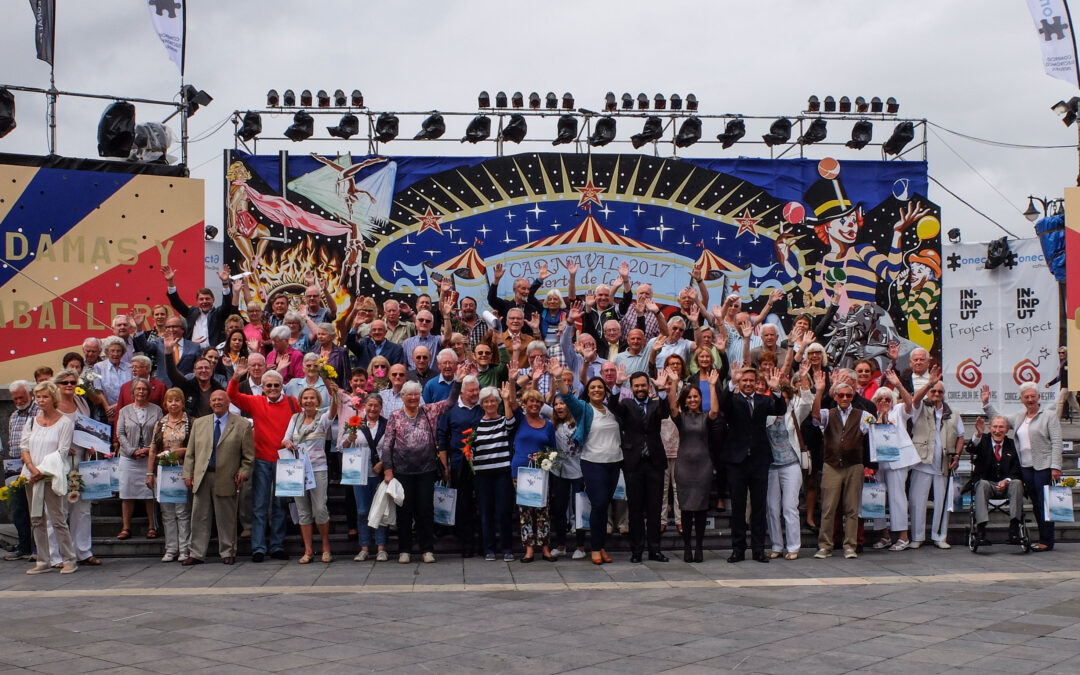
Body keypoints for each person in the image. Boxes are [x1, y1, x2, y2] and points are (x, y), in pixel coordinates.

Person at [379, 364, 464, 564]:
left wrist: (458, 381)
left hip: (426, 470)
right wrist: (388, 470)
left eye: (416, 395)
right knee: (404, 512)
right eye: (409, 395)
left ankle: (427, 549)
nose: (413, 398)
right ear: (403, 397)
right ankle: (405, 550)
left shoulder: (429, 411)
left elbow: (451, 402)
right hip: (401, 471)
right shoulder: (395, 416)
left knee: (425, 510)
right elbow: (387, 445)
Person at [227, 360, 300, 562]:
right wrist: (236, 377)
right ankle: (258, 547)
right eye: (268, 385)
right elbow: (231, 395)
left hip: (285, 462)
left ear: (281, 386)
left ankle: (276, 545)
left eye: (276, 385)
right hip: (261, 460)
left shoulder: (293, 402)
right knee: (259, 505)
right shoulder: (255, 401)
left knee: (279, 505)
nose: (273, 389)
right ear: (263, 388)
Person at [551, 362, 621, 565]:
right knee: (598, 505)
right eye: (593, 388)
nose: (597, 390)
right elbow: (567, 398)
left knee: (604, 506)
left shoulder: (611, 411)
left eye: (600, 387)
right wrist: (558, 378)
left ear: (605, 391)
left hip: (614, 463)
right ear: (588, 392)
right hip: (593, 462)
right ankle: (596, 548)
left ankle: (602, 547)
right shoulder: (583, 409)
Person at [981, 381, 1063, 551]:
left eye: (1033, 396)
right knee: (1035, 503)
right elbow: (999, 420)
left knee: (1044, 503)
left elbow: (1057, 442)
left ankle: (1047, 540)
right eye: (1026, 397)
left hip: (1044, 465)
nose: (1030, 399)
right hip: (1026, 467)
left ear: (1038, 397)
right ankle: (1043, 538)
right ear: (1022, 399)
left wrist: (1056, 466)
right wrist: (986, 404)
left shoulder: (1049, 415)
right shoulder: (1019, 417)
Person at [718, 366, 786, 563]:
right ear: (739, 382)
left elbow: (780, 409)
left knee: (759, 507)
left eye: (751, 381)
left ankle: (758, 549)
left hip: (759, 460)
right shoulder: (733, 399)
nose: (748, 384)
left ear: (756, 383)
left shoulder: (764, 400)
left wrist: (776, 391)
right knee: (738, 507)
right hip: (736, 460)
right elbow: (722, 405)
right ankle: (738, 549)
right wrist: (731, 382)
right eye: (744, 381)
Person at [182, 390, 254, 565]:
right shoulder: (199, 423)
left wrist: (244, 472)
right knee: (199, 516)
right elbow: (190, 453)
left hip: (227, 477)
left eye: (220, 399)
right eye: (213, 400)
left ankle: (228, 551)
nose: (216, 402)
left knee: (226, 517)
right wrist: (187, 474)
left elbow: (249, 456)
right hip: (202, 476)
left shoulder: (242, 424)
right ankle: (196, 553)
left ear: (228, 402)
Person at [608, 371, 670, 563]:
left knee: (654, 508)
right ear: (632, 388)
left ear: (648, 387)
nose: (640, 389)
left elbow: (665, 413)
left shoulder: (655, 404)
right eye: (637, 386)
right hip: (633, 463)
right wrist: (617, 386)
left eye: (643, 385)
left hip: (654, 463)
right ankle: (636, 551)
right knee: (635, 509)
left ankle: (655, 550)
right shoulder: (626, 404)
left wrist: (662, 390)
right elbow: (612, 407)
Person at [812, 374, 875, 560]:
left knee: (852, 509)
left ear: (853, 396)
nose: (845, 398)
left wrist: (885, 417)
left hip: (854, 465)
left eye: (849, 395)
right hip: (832, 464)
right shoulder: (828, 413)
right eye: (842, 395)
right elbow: (815, 416)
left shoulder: (863, 415)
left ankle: (850, 546)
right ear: (836, 397)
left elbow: (877, 427)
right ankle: (825, 546)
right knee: (829, 507)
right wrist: (820, 390)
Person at [20, 382, 78, 575]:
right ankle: (43, 559)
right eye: (38, 397)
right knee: (36, 518)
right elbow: (24, 448)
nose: (41, 400)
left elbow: (61, 452)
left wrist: (42, 472)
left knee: (57, 518)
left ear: (53, 398)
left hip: (51, 476)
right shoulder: (31, 421)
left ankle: (69, 558)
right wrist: (31, 468)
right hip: (32, 476)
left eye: (45, 397)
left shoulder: (64, 422)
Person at [666, 368, 722, 562]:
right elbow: (672, 407)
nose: (692, 400)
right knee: (686, 509)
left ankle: (699, 547)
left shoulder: (706, 417)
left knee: (700, 509)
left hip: (703, 466)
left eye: (696, 396)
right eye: (689, 397)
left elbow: (715, 410)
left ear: (700, 398)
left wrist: (712, 386)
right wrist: (673, 383)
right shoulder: (680, 418)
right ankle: (687, 547)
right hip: (684, 467)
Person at [868, 372, 925, 552]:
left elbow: (910, 404)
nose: (884, 401)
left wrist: (898, 385)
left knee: (896, 497)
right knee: (875, 497)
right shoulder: (869, 416)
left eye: (887, 398)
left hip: (897, 460)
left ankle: (903, 536)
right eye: (880, 399)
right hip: (878, 462)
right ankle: (884, 535)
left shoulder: (898, 411)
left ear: (893, 401)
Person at [282, 384, 339, 564]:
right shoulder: (295, 418)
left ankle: (325, 547)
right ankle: (308, 550)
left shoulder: (322, 418)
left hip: (318, 469)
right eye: (305, 398)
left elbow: (333, 410)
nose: (308, 401)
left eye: (312, 398)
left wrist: (335, 394)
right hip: (298, 470)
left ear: (317, 401)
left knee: (320, 509)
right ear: (300, 401)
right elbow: (285, 437)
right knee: (303, 511)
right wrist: (287, 443)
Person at [908, 378, 963, 549]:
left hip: (944, 463)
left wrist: (957, 456)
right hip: (922, 462)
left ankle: (940, 536)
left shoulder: (953, 412)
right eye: (933, 391)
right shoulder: (920, 407)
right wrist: (928, 384)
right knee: (917, 501)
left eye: (940, 391)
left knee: (942, 501)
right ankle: (917, 537)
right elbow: (914, 401)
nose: (937, 394)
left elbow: (961, 436)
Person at [52, 370, 100, 566]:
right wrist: (61, 447)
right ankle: (57, 555)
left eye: (73, 382)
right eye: (65, 383)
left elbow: (87, 427)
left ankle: (83, 551)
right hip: (60, 461)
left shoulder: (81, 402)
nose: (70, 385)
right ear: (58, 385)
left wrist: (91, 444)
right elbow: (44, 432)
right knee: (59, 509)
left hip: (82, 459)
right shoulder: (52, 406)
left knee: (82, 508)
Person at [765, 373, 813, 560]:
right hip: (771, 465)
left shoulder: (794, 412)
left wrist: (805, 382)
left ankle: (793, 546)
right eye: (779, 399)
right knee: (772, 507)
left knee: (789, 506)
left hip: (791, 463)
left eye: (785, 399)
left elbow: (807, 403)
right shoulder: (766, 414)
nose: (781, 403)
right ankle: (777, 545)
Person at [470, 382, 518, 561]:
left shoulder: (504, 420)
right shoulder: (476, 424)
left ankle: (506, 548)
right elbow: (469, 446)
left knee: (504, 511)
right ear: (481, 404)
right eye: (486, 402)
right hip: (482, 475)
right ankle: (488, 548)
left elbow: (511, 424)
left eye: (493, 401)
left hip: (502, 474)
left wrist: (506, 400)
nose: (490, 404)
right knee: (485, 512)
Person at [436, 373, 483, 557]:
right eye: (471, 390)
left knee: (481, 503)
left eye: (477, 390)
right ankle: (467, 543)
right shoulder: (451, 411)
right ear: (462, 393)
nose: (475, 393)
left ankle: (483, 542)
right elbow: (442, 438)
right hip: (458, 464)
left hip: (482, 463)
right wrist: (444, 466)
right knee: (463, 505)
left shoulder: (483, 408)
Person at [339, 393, 389, 562]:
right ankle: (364, 547)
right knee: (362, 511)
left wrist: (382, 463)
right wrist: (348, 440)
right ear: (364, 407)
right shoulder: (355, 424)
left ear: (381, 407)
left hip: (379, 473)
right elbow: (342, 447)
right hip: (359, 473)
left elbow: (393, 447)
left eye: (376, 405)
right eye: (369, 405)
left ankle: (381, 547)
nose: (372, 409)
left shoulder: (387, 425)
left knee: (380, 511)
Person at [146, 388, 192, 562]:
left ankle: (184, 549)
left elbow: (196, 447)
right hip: (163, 471)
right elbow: (153, 449)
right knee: (167, 512)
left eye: (177, 400)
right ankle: (171, 548)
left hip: (182, 469)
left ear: (183, 402)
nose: (174, 404)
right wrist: (149, 473)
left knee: (182, 511)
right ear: (165, 404)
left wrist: (181, 451)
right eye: (170, 401)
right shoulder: (160, 423)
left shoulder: (190, 422)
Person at [510, 388, 556, 563]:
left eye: (538, 401)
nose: (535, 404)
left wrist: (544, 457)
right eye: (531, 401)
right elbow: (512, 402)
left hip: (540, 472)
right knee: (525, 511)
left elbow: (554, 450)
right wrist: (513, 381)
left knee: (543, 509)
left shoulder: (548, 425)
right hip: (520, 472)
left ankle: (545, 547)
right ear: (525, 404)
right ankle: (529, 548)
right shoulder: (520, 419)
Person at [115, 379, 162, 541]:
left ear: (148, 392)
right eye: (138, 389)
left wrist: (150, 449)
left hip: (149, 457)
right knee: (127, 493)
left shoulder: (156, 410)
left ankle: (152, 526)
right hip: (129, 458)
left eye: (144, 389)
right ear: (133, 392)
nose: (141, 392)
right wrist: (132, 451)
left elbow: (160, 432)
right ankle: (125, 527)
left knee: (149, 493)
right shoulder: (124, 411)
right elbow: (120, 433)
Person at [968, 415, 1025, 546]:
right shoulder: (983, 440)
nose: (997, 430)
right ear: (990, 428)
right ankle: (981, 531)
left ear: (1007, 430)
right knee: (982, 484)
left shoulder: (1012, 444)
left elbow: (1017, 469)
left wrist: (1007, 480)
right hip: (987, 483)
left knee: (1017, 483)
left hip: (1007, 484)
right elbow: (971, 448)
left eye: (1001, 427)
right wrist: (979, 433)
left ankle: (1014, 529)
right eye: (994, 426)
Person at [549, 395, 587, 560]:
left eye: (562, 403)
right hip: (560, 472)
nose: (559, 407)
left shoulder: (578, 422)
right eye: (556, 404)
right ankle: (561, 545)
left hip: (579, 472)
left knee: (579, 508)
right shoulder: (553, 425)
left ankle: (580, 546)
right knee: (559, 509)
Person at [4, 380, 38, 561]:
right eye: (15, 398)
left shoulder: (39, 412)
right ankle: (23, 546)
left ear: (30, 393)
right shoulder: (14, 416)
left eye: (21, 397)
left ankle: (36, 548)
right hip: (16, 468)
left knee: (35, 509)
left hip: (33, 465)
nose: (18, 401)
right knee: (19, 509)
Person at [163, 264, 235, 347]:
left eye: (207, 299)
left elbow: (227, 304)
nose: (204, 301)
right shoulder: (191, 312)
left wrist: (225, 283)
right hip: (193, 351)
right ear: (197, 301)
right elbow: (176, 303)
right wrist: (170, 282)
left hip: (213, 353)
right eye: (201, 299)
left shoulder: (218, 314)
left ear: (213, 300)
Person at [164, 335, 225, 418]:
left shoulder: (218, 389)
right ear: (194, 371)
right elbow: (172, 372)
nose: (203, 370)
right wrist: (168, 352)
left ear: (211, 370)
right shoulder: (188, 386)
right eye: (200, 368)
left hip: (211, 427)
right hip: (190, 427)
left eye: (207, 368)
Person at [151, 317, 201, 387]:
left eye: (174, 326)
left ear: (183, 329)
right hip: (163, 386)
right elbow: (144, 347)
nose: (171, 329)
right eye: (168, 327)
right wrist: (138, 329)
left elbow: (198, 367)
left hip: (185, 387)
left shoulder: (195, 346)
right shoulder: (159, 343)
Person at [93, 337, 132, 423]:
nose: (116, 354)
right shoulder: (98, 367)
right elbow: (98, 390)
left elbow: (132, 391)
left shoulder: (129, 367)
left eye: (119, 351)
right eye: (112, 351)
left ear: (122, 353)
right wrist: (108, 409)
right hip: (105, 413)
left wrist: (118, 406)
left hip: (126, 412)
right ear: (107, 352)